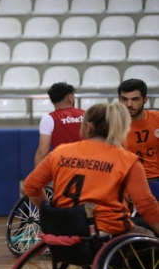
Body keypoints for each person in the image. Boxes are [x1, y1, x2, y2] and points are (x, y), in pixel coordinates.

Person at [23, 103, 159, 237]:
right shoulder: (127, 160)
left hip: (63, 231)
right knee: (148, 237)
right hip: (105, 233)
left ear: (88, 127)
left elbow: (29, 186)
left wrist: (51, 213)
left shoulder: (60, 152)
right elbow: (146, 206)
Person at [118, 79, 159, 199]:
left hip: (155, 178)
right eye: (124, 99)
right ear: (119, 99)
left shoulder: (157, 119)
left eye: (135, 99)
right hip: (126, 179)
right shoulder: (111, 124)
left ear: (145, 100)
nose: (129, 104)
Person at [34, 82, 85, 166]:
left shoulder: (49, 118)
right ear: (70, 98)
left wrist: (37, 177)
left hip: (64, 167)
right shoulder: (87, 114)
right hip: (89, 165)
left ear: (51, 100)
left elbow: (43, 153)